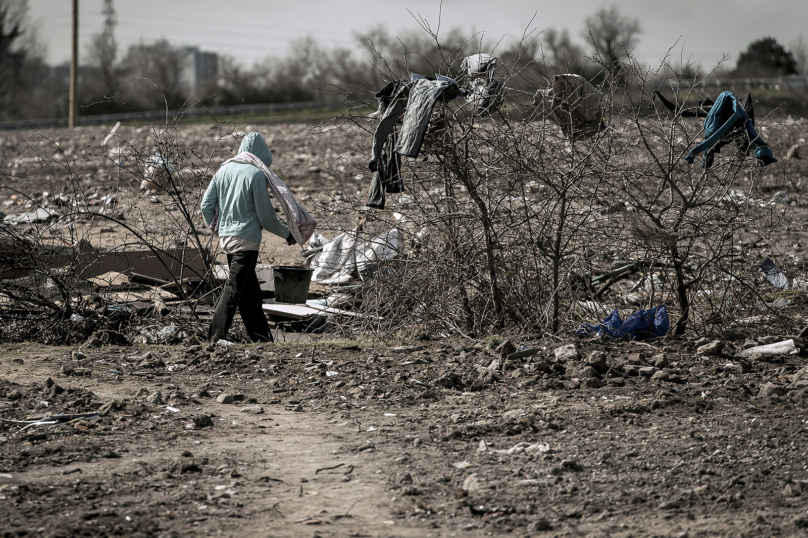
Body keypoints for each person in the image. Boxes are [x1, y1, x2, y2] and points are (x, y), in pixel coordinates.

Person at [201, 132, 295, 343]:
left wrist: (219, 229)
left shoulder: (223, 169)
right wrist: (287, 234)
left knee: (249, 294)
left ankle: (262, 339)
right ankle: (214, 337)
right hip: (247, 241)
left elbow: (205, 206)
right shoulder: (256, 174)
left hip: (227, 239)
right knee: (233, 289)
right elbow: (266, 216)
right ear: (262, 154)